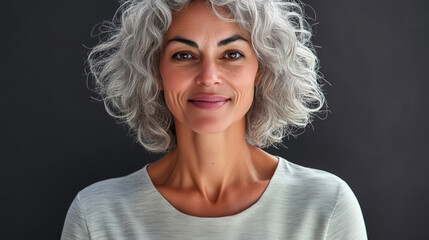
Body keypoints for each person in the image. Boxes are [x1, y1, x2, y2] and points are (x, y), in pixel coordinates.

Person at [61, 0, 367, 239]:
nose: (208, 77)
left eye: (231, 54)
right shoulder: (97, 215)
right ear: (154, 73)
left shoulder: (326, 205)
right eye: (184, 55)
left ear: (261, 70)